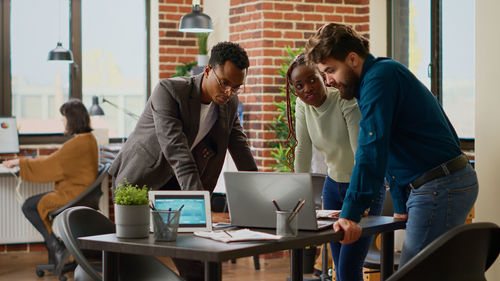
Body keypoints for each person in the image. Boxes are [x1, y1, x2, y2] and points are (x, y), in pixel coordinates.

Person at [304, 23, 478, 267]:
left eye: (330, 70)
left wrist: (350, 215)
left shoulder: (379, 78)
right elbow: (387, 146)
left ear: (352, 58)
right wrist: (399, 202)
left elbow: (371, 149)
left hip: (441, 185)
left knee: (413, 273)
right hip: (443, 183)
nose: (328, 80)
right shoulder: (375, 80)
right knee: (435, 271)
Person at [109, 41, 257, 281]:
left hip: (178, 187)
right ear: (207, 71)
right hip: (142, 181)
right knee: (132, 264)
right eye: (225, 83)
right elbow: (178, 153)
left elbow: (240, 149)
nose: (229, 92)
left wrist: (258, 197)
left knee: (198, 263)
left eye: (237, 87)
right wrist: (202, 209)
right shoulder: (169, 91)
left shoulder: (229, 103)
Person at [285, 53, 385, 281]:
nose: (307, 89)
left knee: (349, 269)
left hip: (362, 186)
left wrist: (361, 197)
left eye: (312, 80)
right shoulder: (302, 105)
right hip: (333, 187)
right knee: (340, 269)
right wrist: (297, 196)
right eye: (299, 86)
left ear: (322, 76)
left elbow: (361, 150)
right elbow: (302, 149)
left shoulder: (343, 99)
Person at [2, 99, 98, 267]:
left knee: (29, 206)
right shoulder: (89, 139)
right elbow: (55, 161)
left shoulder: (77, 144)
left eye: (64, 117)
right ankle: (56, 246)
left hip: (72, 195)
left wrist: (19, 162)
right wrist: (21, 162)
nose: (62, 121)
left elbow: (49, 165)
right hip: (82, 193)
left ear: (72, 119)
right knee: (32, 204)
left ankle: (56, 245)